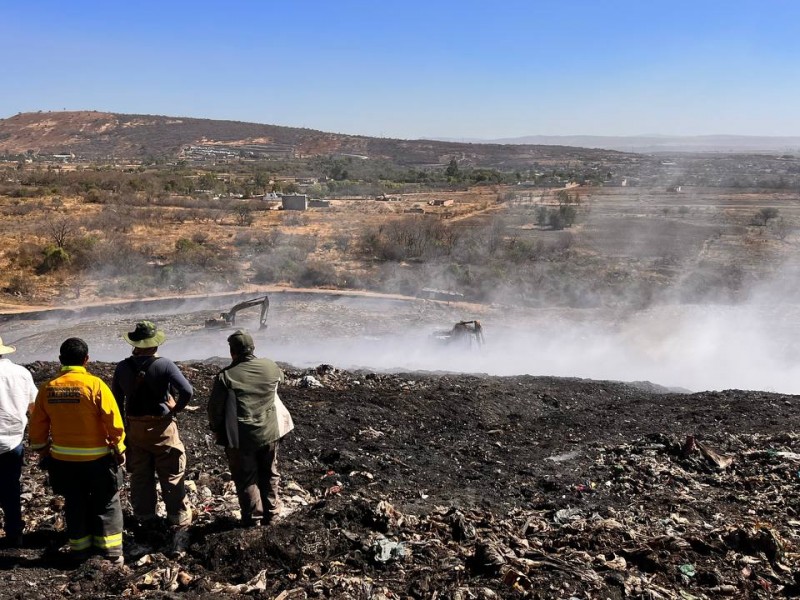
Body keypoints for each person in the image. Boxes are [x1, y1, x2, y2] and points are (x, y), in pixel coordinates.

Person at [29, 338, 126, 565]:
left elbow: (37, 426)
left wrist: (42, 449)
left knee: (75, 503)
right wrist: (119, 447)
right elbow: (113, 421)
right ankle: (111, 553)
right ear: (86, 359)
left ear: (61, 360)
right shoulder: (95, 385)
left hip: (63, 461)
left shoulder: (48, 388)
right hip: (98, 459)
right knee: (107, 502)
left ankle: (79, 551)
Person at [111, 321, 193, 537]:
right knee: (172, 473)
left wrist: (124, 428)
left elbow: (116, 401)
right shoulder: (165, 365)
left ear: (135, 344)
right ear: (155, 345)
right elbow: (186, 391)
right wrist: (176, 409)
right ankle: (177, 516)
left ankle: (145, 517)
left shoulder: (122, 367)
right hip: (162, 427)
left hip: (135, 428)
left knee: (140, 474)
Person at [208, 329, 292, 527]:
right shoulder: (270, 367)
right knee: (270, 472)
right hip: (271, 433)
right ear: (253, 348)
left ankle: (253, 520)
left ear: (232, 352)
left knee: (247, 478)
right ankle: (272, 517)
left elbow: (215, 409)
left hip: (241, 437)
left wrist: (217, 429)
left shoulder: (226, 376)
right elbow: (281, 380)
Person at [0, 336, 39, 548]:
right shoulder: (21, 373)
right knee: (11, 488)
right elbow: (34, 407)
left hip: (11, 441)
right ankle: (14, 533)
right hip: (12, 440)